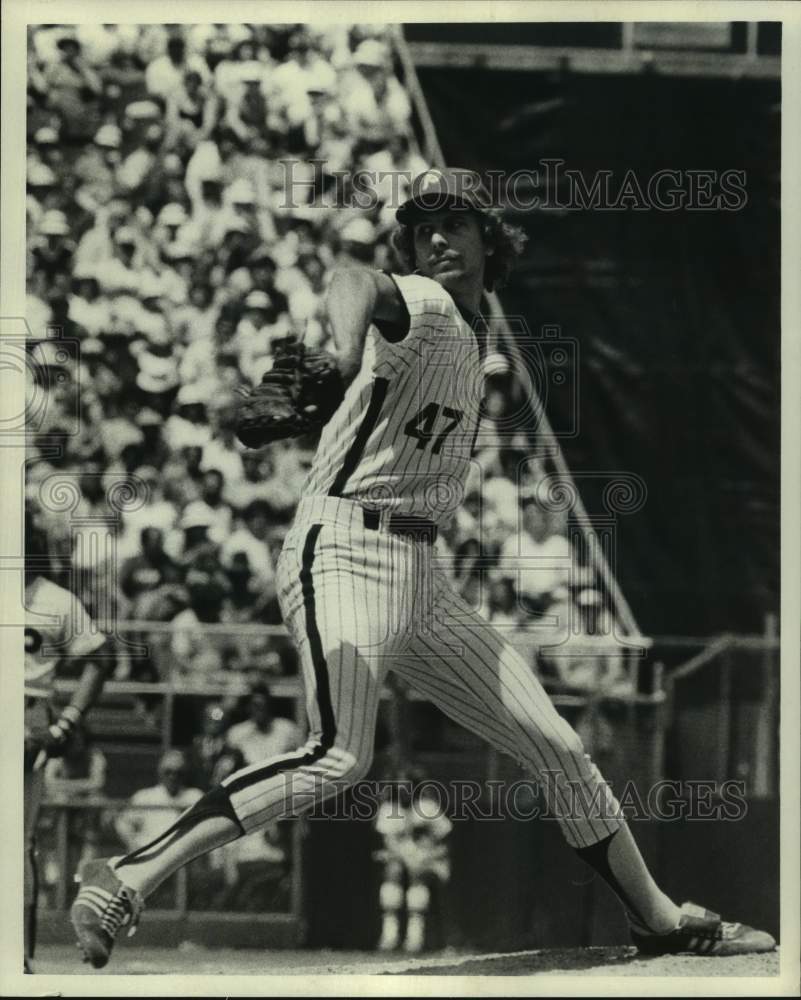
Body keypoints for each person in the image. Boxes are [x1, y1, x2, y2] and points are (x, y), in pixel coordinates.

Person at [70, 168, 774, 966]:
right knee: (339, 753)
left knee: (556, 746)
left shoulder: (479, 331)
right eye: (422, 225)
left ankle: (656, 916)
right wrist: (338, 356)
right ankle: (125, 876)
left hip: (421, 574)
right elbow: (354, 277)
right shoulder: (431, 305)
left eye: (455, 223)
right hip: (341, 545)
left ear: (489, 238)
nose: (436, 238)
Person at [24, 504, 112, 973]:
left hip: (25, 713)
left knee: (14, 844)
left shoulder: (53, 599)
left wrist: (66, 722)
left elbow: (100, 657)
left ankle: (16, 958)